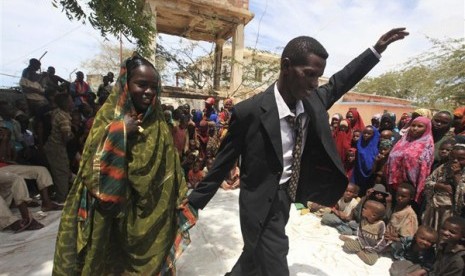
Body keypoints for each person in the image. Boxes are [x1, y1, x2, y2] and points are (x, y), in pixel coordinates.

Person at [182, 28, 409, 275]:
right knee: (275, 254)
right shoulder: (250, 112)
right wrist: (192, 204)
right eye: (309, 74)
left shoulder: (313, 101)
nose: (314, 84)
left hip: (285, 195)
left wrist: (375, 51)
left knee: (254, 255)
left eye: (318, 77)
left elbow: (341, 80)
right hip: (257, 200)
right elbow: (221, 165)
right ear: (286, 66)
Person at [53, 54, 196, 275]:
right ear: (126, 85)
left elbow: (171, 165)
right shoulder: (108, 116)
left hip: (152, 212)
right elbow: (89, 162)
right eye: (142, 84)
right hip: (111, 211)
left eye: (153, 87)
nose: (148, 91)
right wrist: (119, 132)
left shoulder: (158, 123)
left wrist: (180, 195)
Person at [385, 116, 434, 203]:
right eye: (413, 125)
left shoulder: (427, 145)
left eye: (420, 126)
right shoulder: (403, 141)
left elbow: (424, 170)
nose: (415, 128)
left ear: (427, 128)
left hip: (410, 190)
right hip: (394, 186)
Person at [422, 143, 465, 232]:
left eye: (461, 159)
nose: (455, 161)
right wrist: (440, 186)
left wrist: (456, 175)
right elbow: (427, 182)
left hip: (451, 211)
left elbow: (463, 194)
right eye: (453, 158)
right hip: (435, 207)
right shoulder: (443, 168)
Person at [340, 200, 388, 266]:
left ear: (373, 215)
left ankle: (358, 251)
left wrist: (370, 249)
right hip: (361, 243)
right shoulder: (363, 220)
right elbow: (359, 233)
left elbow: (382, 240)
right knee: (346, 246)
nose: (363, 209)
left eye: (365, 208)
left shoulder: (380, 224)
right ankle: (351, 241)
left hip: (373, 248)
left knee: (371, 261)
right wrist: (361, 245)